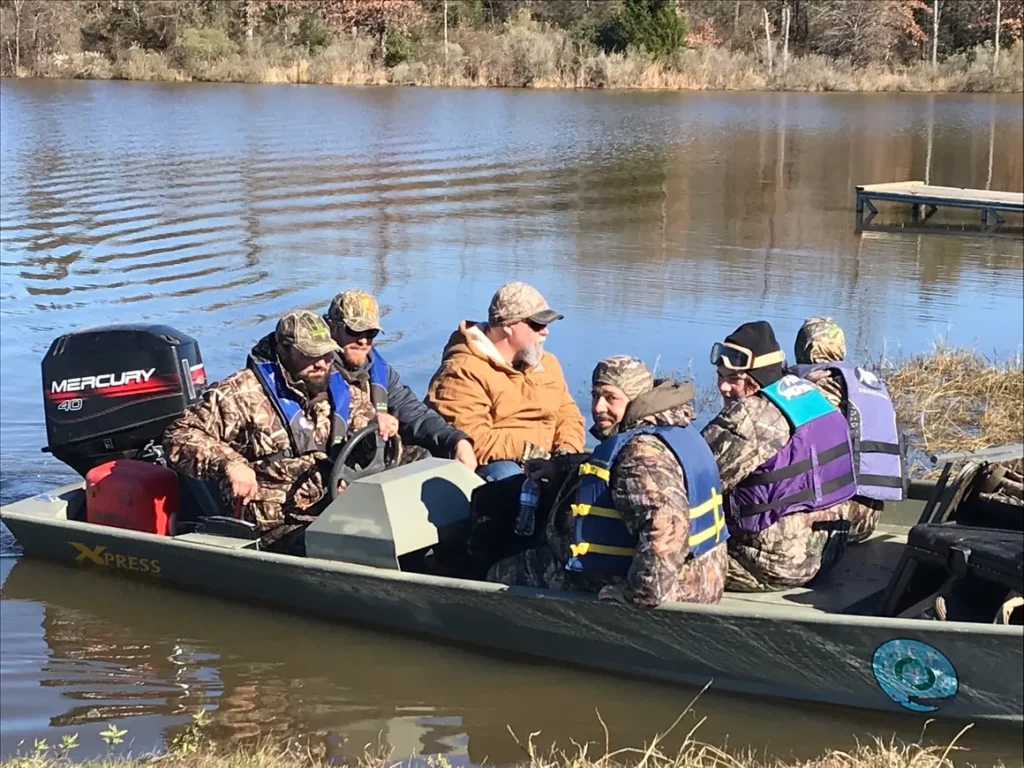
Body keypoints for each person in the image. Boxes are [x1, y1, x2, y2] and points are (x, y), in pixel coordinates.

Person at [487, 356, 729, 607]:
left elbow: (667, 527)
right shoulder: (674, 429)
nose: (598, 407)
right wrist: (562, 465)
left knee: (501, 572)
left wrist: (636, 594)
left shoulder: (640, 454)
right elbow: (613, 462)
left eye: (611, 397)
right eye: (595, 396)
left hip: (672, 588)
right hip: (705, 575)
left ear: (635, 399)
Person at [164, 310, 355, 551]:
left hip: (332, 509)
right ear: (284, 351)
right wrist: (230, 464)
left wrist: (383, 428)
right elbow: (179, 435)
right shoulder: (241, 393)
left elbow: (370, 437)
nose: (321, 363)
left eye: (327, 353)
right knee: (344, 546)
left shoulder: (337, 385)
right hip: (271, 528)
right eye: (309, 355)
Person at [701, 321, 857, 592]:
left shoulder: (748, 417)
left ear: (757, 377)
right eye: (720, 376)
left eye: (733, 379)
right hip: (829, 555)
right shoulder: (816, 396)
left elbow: (690, 479)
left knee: (659, 553)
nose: (723, 388)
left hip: (767, 566)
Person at [425, 281, 585, 482]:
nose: (545, 332)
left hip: (548, 459)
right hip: (494, 467)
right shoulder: (462, 370)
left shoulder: (548, 363)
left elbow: (568, 415)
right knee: (508, 476)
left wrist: (565, 454)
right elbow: (473, 440)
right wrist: (532, 450)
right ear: (509, 326)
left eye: (546, 325)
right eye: (537, 324)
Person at [323, 289, 477, 471]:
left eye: (371, 333)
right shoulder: (315, 373)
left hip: (373, 465)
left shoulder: (379, 371)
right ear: (332, 327)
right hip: (331, 472)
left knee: (426, 458)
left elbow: (414, 412)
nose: (363, 341)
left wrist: (456, 440)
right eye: (354, 331)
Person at [788, 317, 907, 544]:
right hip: (868, 521)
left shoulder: (808, 387)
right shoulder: (867, 384)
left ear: (802, 348)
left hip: (833, 522)